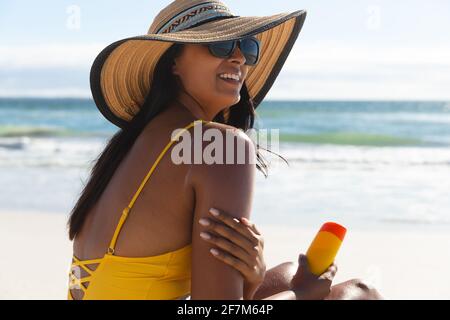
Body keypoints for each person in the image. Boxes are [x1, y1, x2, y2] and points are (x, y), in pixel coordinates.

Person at [67, 0, 382, 300]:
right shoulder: (220, 146)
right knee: (360, 292)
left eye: (246, 47)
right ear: (173, 62)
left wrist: (255, 279)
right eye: (219, 45)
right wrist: (302, 294)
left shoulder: (135, 143)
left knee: (286, 273)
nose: (239, 58)